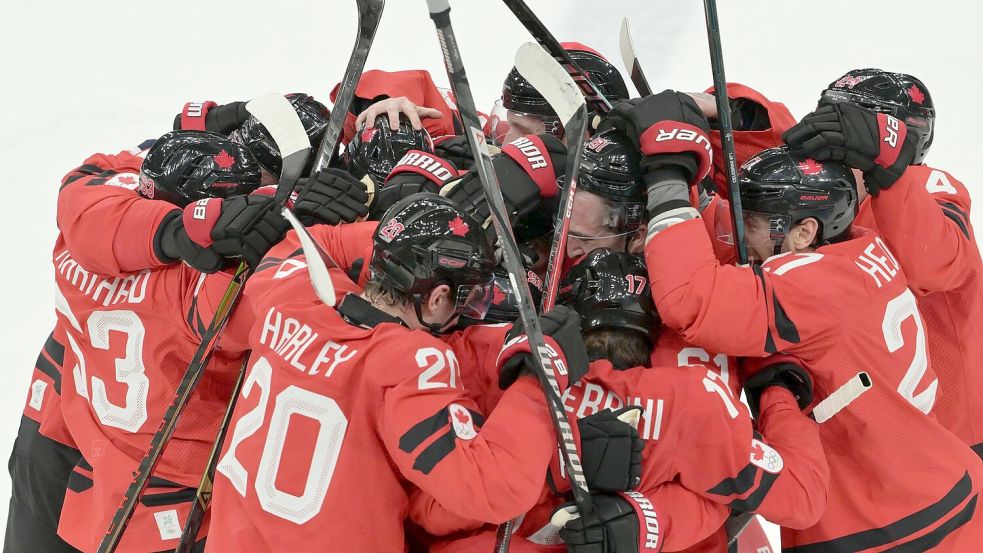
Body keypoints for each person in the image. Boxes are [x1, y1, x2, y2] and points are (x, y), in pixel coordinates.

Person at [609, 89, 983, 550]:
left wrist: (668, 175)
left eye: (752, 221)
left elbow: (690, 299)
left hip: (887, 525)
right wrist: (734, 118)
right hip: (940, 489)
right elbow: (790, 184)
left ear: (805, 232)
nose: (737, 234)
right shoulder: (856, 242)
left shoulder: (812, 284)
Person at [204, 194, 632, 552]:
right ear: (438, 297)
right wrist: (539, 377)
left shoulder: (287, 295)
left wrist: (405, 240)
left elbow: (311, 240)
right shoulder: (409, 362)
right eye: (469, 298)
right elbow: (492, 488)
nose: (469, 313)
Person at [784, 68, 983, 459]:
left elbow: (937, 261)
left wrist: (888, 171)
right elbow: (779, 151)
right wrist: (743, 115)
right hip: (880, 437)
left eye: (849, 126)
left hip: (957, 438)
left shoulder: (927, 186)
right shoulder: (833, 197)